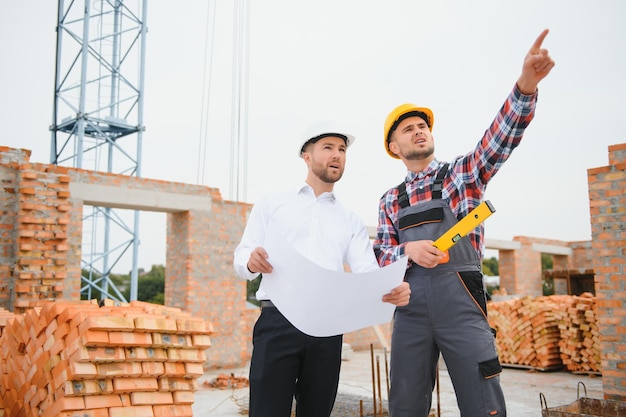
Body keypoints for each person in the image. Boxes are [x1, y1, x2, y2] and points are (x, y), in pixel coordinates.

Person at [374, 29, 555, 417]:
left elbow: (498, 141)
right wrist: (407, 250)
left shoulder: (461, 177)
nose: (419, 130)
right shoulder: (390, 199)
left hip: (462, 301)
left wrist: (525, 86)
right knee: (405, 402)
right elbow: (380, 255)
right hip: (410, 309)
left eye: (423, 125)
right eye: (409, 128)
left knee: (482, 399)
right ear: (394, 147)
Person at [233, 121, 411, 417]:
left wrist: (390, 286)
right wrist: (250, 260)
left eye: (342, 150)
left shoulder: (349, 220)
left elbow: (366, 270)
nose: (337, 155)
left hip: (328, 329)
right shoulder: (272, 203)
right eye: (328, 148)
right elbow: (242, 256)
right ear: (306, 155)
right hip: (278, 322)